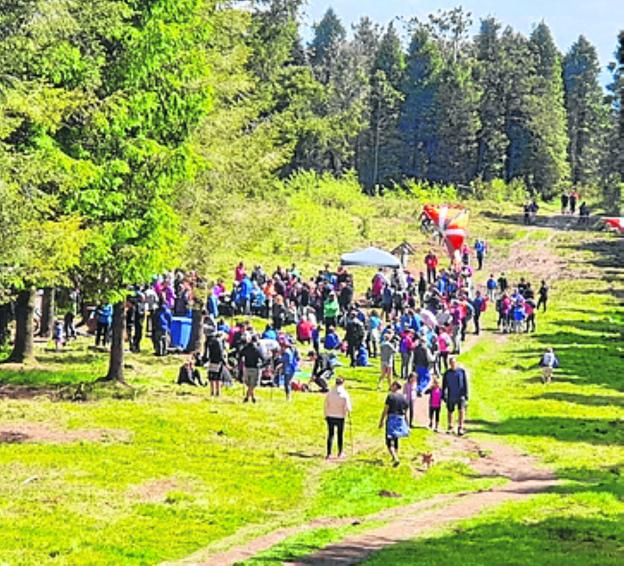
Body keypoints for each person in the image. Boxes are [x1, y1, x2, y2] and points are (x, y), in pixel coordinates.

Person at [379, 381, 409, 466]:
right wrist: (407, 424)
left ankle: (395, 457)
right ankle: (395, 456)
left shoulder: (390, 396)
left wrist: (381, 421)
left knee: (388, 440)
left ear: (395, 386)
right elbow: (406, 412)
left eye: (392, 386)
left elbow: (385, 410)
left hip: (392, 418)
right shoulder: (404, 398)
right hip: (400, 419)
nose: (391, 387)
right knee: (396, 439)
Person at [323, 377, 352, 460]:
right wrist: (347, 412)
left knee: (330, 434)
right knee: (340, 435)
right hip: (340, 416)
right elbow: (348, 407)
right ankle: (340, 452)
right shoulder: (344, 394)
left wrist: (325, 414)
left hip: (330, 415)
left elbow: (325, 404)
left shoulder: (330, 393)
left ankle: (329, 453)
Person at [442, 357, 469, 436]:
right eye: (451, 363)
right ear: (449, 364)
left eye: (454, 363)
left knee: (461, 410)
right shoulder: (447, 373)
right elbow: (444, 385)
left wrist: (466, 394)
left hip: (460, 395)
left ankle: (460, 427)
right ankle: (450, 426)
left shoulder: (461, 372)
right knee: (450, 411)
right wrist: (443, 395)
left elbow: (465, 383)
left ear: (456, 363)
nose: (453, 364)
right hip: (451, 394)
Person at [241, 335, 263, 403]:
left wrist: (242, 361)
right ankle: (247, 397)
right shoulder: (257, 348)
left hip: (246, 367)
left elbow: (240, 354)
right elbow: (262, 357)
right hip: (255, 368)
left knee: (249, 384)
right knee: (253, 384)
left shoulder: (246, 347)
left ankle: (253, 398)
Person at [206, 331, 226, 397]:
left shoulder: (211, 341)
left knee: (212, 377)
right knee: (218, 378)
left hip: (211, 361)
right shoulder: (219, 342)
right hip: (218, 362)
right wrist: (224, 362)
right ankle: (218, 392)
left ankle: (212, 392)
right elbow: (220, 353)